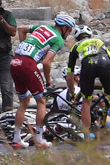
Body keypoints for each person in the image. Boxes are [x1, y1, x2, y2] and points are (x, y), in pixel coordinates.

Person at [9, 14, 75, 149]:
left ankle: (16, 139)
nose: (69, 34)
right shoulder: (58, 39)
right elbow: (46, 62)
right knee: (41, 101)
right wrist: (48, 80)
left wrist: (23, 46)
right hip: (28, 64)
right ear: (64, 28)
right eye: (69, 30)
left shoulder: (43, 27)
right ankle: (39, 139)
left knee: (24, 101)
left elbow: (21, 29)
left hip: (15, 61)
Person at [66, 25, 110, 144]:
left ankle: (86, 139)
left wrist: (72, 91)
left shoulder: (75, 47)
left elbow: (70, 75)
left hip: (87, 66)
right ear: (90, 36)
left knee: (86, 102)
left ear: (77, 38)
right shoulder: (99, 41)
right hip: (104, 64)